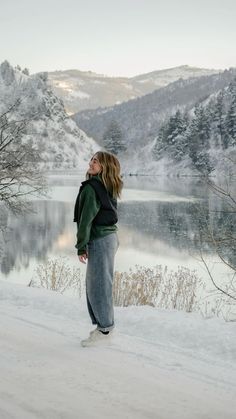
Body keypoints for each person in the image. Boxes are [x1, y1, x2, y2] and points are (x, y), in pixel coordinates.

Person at [74, 151, 123, 347]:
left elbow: (85, 221)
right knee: (98, 284)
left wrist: (81, 246)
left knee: (99, 286)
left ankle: (105, 330)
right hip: (109, 238)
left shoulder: (92, 188)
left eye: (96, 161)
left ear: (105, 167)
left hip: (101, 239)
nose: (91, 162)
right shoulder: (107, 186)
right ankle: (103, 327)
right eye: (92, 159)